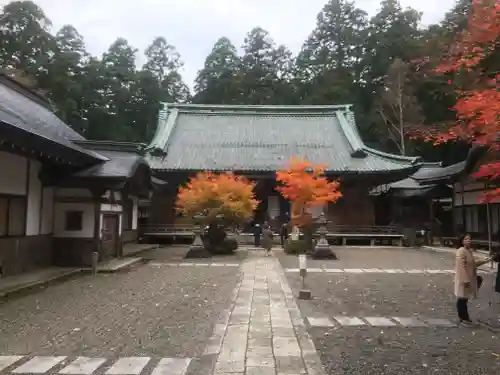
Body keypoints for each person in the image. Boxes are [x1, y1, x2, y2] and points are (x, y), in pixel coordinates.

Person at [454, 234, 491, 326]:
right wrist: (465, 280)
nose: (468, 240)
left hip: (469, 278)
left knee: (464, 299)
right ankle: (463, 318)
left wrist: (486, 260)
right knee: (462, 299)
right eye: (466, 239)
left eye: (470, 239)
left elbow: (473, 263)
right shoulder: (461, 251)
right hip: (464, 279)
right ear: (462, 241)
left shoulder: (468, 251)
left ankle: (465, 317)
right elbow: (460, 267)